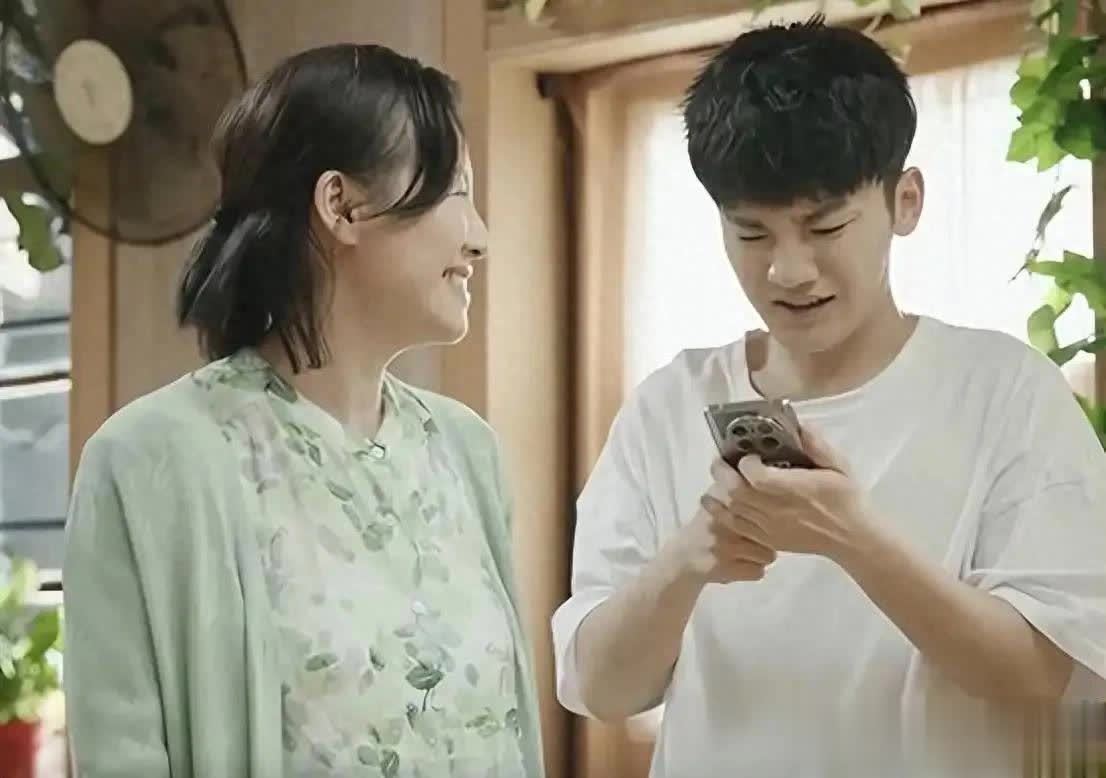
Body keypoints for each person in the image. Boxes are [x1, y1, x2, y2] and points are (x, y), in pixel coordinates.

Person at [552, 17, 1106, 778]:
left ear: (905, 201)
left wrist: (852, 538)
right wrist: (686, 561)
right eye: (752, 235)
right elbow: (602, 690)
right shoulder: (667, 405)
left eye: (826, 227)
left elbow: (1040, 677)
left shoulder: (1006, 391)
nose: (788, 270)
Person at [64, 43, 544, 778]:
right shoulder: (150, 460)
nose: (478, 237)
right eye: (456, 192)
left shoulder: (465, 451)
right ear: (341, 205)